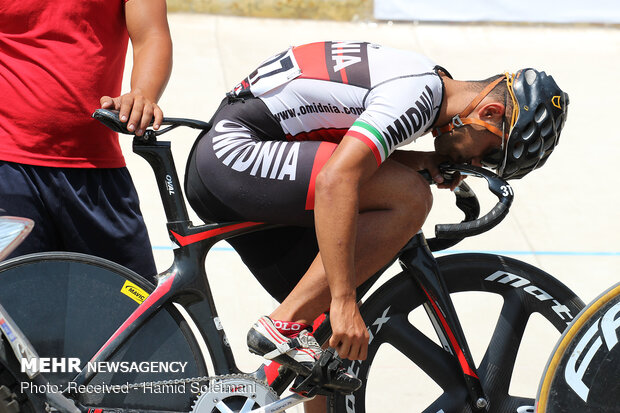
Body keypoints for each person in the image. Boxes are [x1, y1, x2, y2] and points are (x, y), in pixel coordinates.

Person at [185, 41, 569, 396]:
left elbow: (338, 144)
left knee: (320, 336)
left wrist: (418, 160)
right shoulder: (419, 97)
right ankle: (281, 323)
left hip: (233, 155)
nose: (471, 166)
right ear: (489, 112)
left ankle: (295, 329)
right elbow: (336, 179)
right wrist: (344, 300)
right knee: (408, 199)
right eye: (484, 156)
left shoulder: (427, 81)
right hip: (236, 153)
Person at [0, 0, 173, 281]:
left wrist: (142, 93)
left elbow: (151, 35)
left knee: (135, 313)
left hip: (96, 173)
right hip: (7, 167)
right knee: (17, 312)